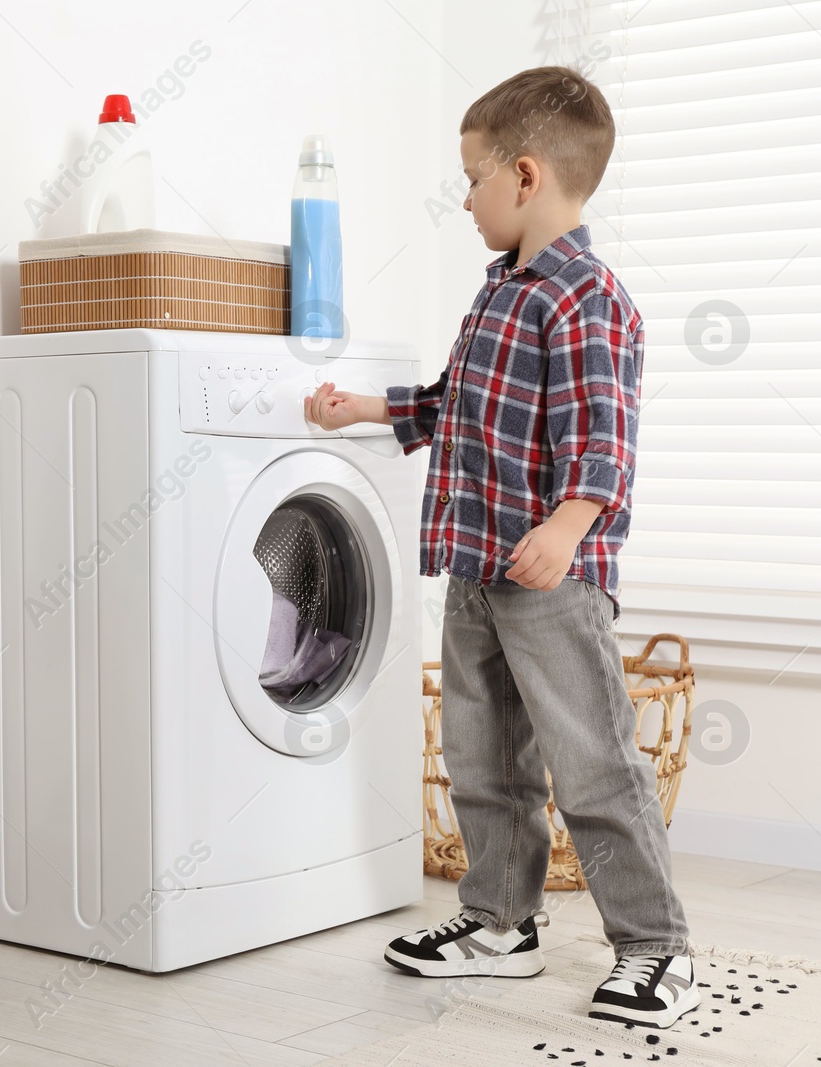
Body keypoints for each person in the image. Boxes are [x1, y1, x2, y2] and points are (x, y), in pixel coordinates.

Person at [303, 65, 698, 1029]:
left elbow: (605, 439)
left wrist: (567, 530)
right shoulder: (500, 290)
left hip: (550, 576)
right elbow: (457, 404)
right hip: (479, 567)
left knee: (593, 762)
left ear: (524, 176)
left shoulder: (583, 298)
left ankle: (655, 946)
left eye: (471, 178)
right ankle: (500, 922)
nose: (466, 198)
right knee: (483, 758)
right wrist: (366, 409)